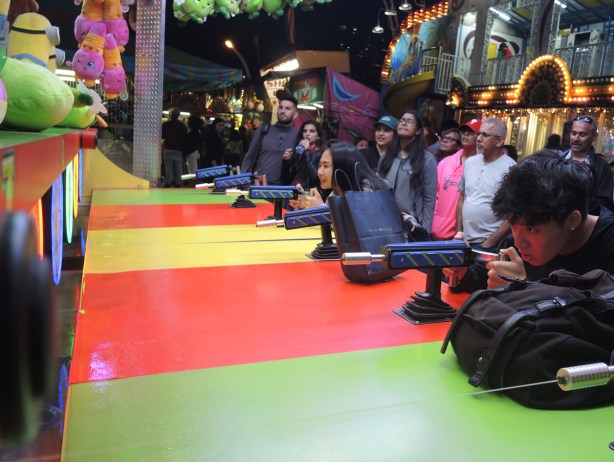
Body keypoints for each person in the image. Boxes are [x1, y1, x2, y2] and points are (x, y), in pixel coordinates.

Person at [486, 150, 614, 289]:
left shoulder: (609, 243)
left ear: (572, 220)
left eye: (531, 228)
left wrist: (526, 291)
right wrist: (464, 273)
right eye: (512, 224)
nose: (518, 243)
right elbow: (486, 274)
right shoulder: (515, 242)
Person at [454, 117, 516, 250]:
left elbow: (514, 213)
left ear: (499, 141)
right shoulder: (470, 162)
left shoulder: (511, 169)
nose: (479, 138)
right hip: (464, 241)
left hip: (492, 243)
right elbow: (462, 198)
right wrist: (459, 233)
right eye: (478, 134)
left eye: (485, 135)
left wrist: (490, 242)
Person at [377, 109, 437, 234]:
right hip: (384, 222)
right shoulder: (387, 155)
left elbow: (429, 199)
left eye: (409, 121)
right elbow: (377, 188)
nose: (404, 123)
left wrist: (425, 231)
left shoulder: (426, 159)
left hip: (411, 225)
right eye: (402, 120)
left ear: (418, 130)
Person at [291, 141, 388, 209]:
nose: (319, 172)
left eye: (326, 166)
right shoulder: (338, 190)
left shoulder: (367, 190)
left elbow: (359, 228)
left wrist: (321, 209)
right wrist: (306, 206)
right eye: (320, 165)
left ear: (343, 167)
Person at [431, 119, 480, 240]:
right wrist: (433, 222)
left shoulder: (481, 165)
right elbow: (435, 195)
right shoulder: (445, 162)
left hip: (464, 232)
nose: (466, 135)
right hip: (438, 229)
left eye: (471, 132)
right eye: (464, 131)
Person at [240, 93, 299, 185]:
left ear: (295, 114)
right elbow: (249, 157)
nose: (283, 111)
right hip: (258, 187)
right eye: (281, 107)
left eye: (287, 108)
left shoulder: (298, 136)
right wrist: (242, 181)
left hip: (283, 191)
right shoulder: (263, 130)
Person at [560, 115, 614, 212]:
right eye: (573, 133)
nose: (576, 138)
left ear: (594, 137)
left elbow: (605, 205)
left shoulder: (602, 166)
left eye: (582, 134)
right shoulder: (557, 159)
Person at [281, 119, 327, 191]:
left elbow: (315, 177)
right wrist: (286, 161)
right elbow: (286, 179)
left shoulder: (322, 154)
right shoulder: (299, 151)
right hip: (294, 191)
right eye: (305, 131)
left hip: (310, 194)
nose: (307, 134)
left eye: (312, 131)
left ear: (318, 136)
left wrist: (306, 151)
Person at [161, 107, 187, 188]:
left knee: (168, 167)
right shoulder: (182, 126)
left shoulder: (165, 124)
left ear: (170, 115)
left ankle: (168, 182)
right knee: (178, 168)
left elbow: (163, 136)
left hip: (168, 149)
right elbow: (184, 138)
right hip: (179, 150)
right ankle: (178, 182)